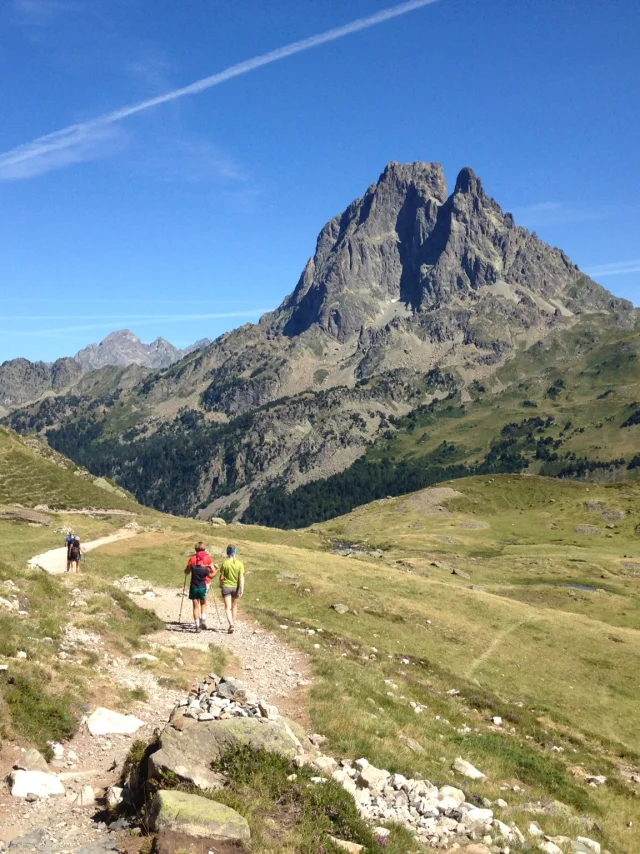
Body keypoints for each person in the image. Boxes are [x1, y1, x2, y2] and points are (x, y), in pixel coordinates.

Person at [185, 542, 217, 632]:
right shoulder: (208, 558)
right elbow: (213, 570)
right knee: (203, 602)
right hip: (205, 582)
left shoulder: (192, 559)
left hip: (194, 584)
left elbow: (187, 571)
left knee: (195, 605)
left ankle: (197, 625)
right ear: (204, 549)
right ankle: (203, 619)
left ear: (195, 549)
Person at [219, 544, 244, 634]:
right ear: (235, 552)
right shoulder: (240, 564)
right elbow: (241, 577)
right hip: (236, 587)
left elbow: (221, 577)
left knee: (227, 607)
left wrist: (221, 585)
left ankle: (231, 624)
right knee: (234, 606)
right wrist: (242, 589)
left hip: (226, 586)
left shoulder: (225, 563)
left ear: (227, 552)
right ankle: (233, 622)